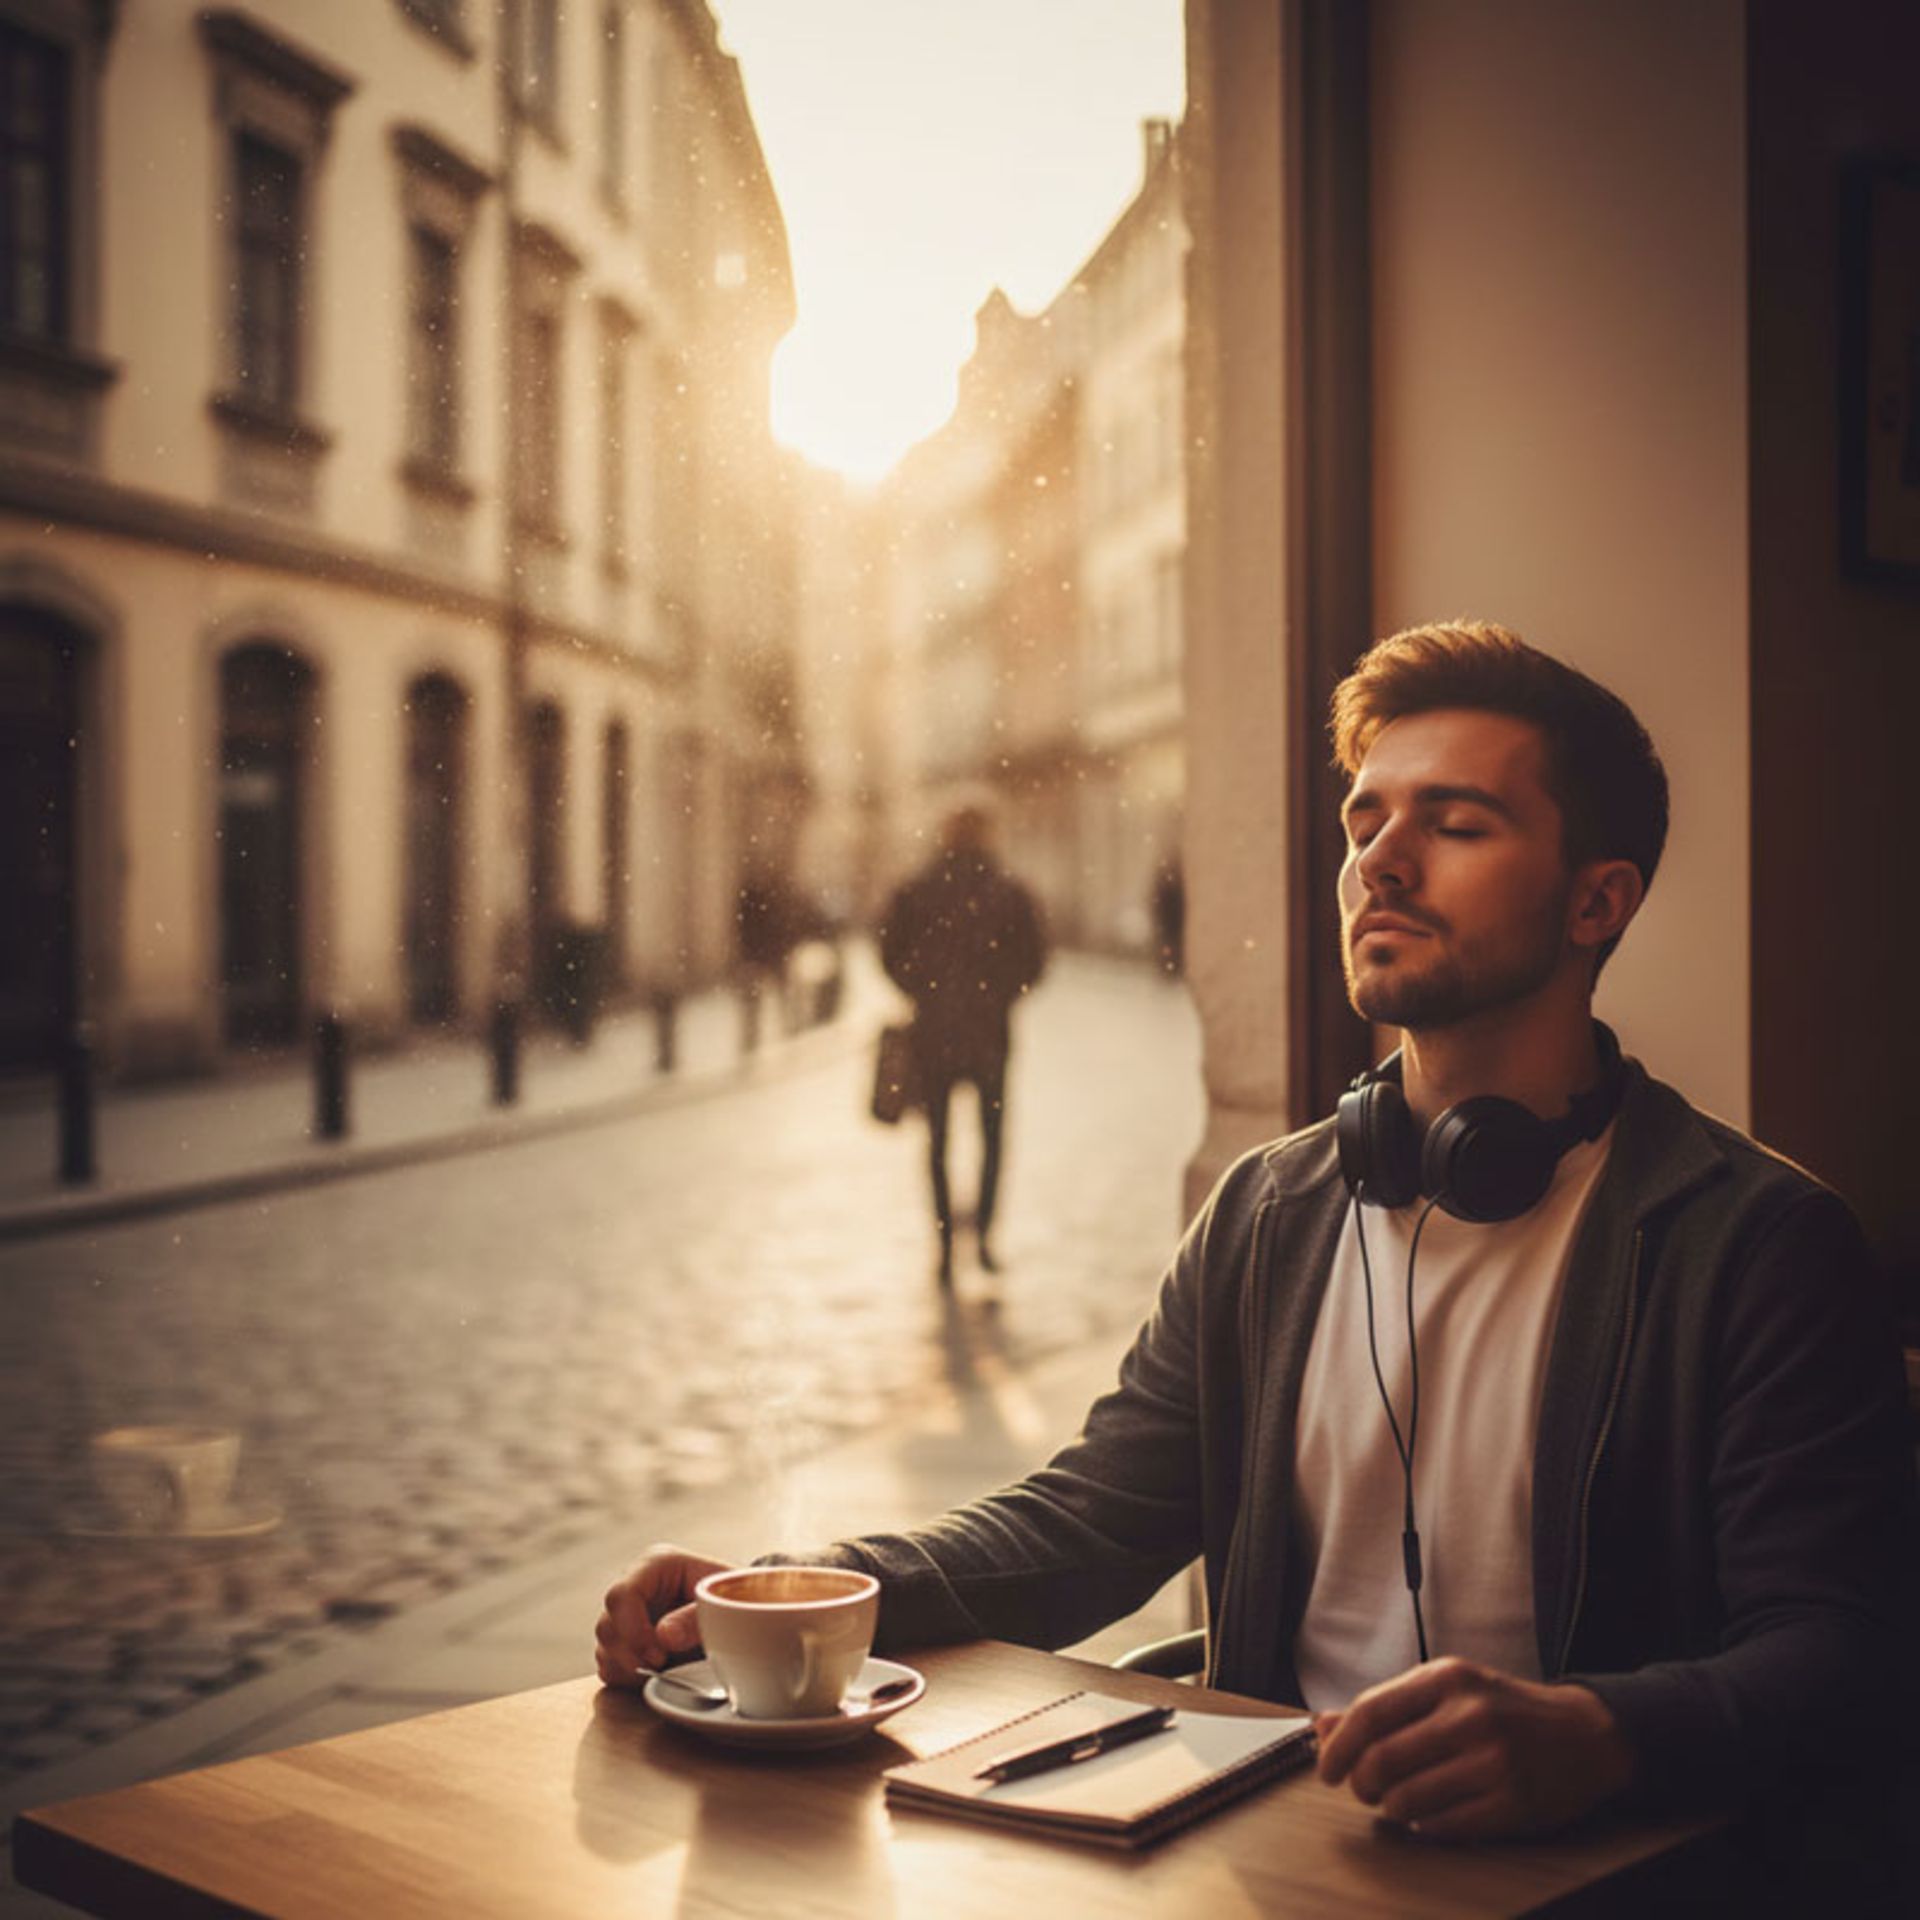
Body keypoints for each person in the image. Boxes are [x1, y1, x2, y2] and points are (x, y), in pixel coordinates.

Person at [597, 624, 1915, 1857]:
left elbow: (1841, 1647)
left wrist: (1602, 1736)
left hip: (1588, 1875)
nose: (1380, 862)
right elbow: (1093, 1522)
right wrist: (798, 1584)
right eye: (1365, 821)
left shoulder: (1757, 1247)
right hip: (1279, 1858)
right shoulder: (1271, 1209)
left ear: (1595, 902)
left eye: (1454, 824)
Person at [874, 804, 1047, 1286]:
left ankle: (946, 1246)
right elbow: (1035, 960)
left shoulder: (917, 890)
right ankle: (986, 1238)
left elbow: (888, 953)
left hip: (934, 1037)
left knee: (938, 1144)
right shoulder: (1009, 892)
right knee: (991, 1140)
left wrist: (924, 991)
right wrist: (1000, 993)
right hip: (990, 1035)